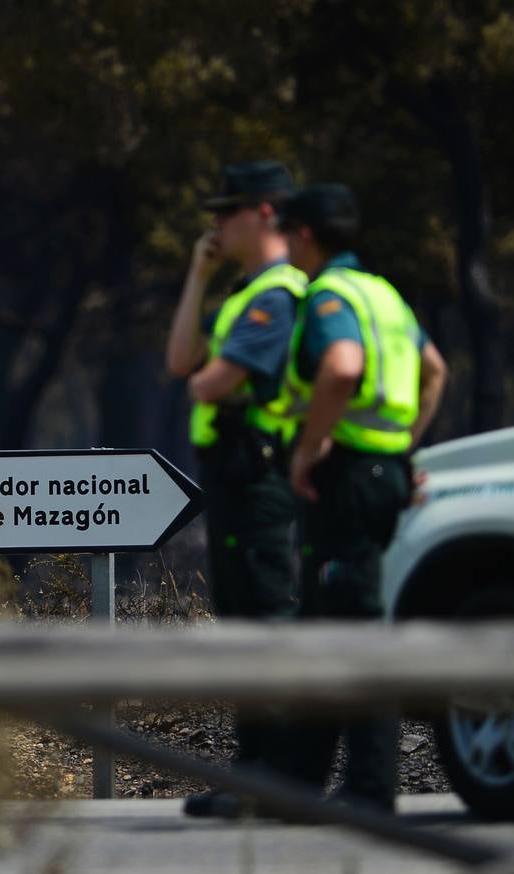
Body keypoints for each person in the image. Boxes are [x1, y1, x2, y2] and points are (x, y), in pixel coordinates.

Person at [274, 182, 448, 811]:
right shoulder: (385, 294)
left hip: (344, 478)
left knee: (355, 624)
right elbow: (435, 371)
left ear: (306, 236)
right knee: (326, 619)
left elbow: (343, 367)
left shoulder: (331, 295)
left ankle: (371, 787)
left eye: (289, 234)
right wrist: (400, 445)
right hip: (384, 475)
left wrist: (310, 447)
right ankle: (299, 784)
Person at [165, 161, 305, 818]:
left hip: (261, 483)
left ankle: (280, 783)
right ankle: (254, 779)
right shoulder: (242, 296)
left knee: (271, 630)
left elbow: (209, 381)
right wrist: (197, 274)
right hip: (234, 483)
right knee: (246, 629)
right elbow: (180, 362)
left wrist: (206, 380)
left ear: (266, 214)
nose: (217, 224)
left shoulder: (279, 295)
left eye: (230, 211)